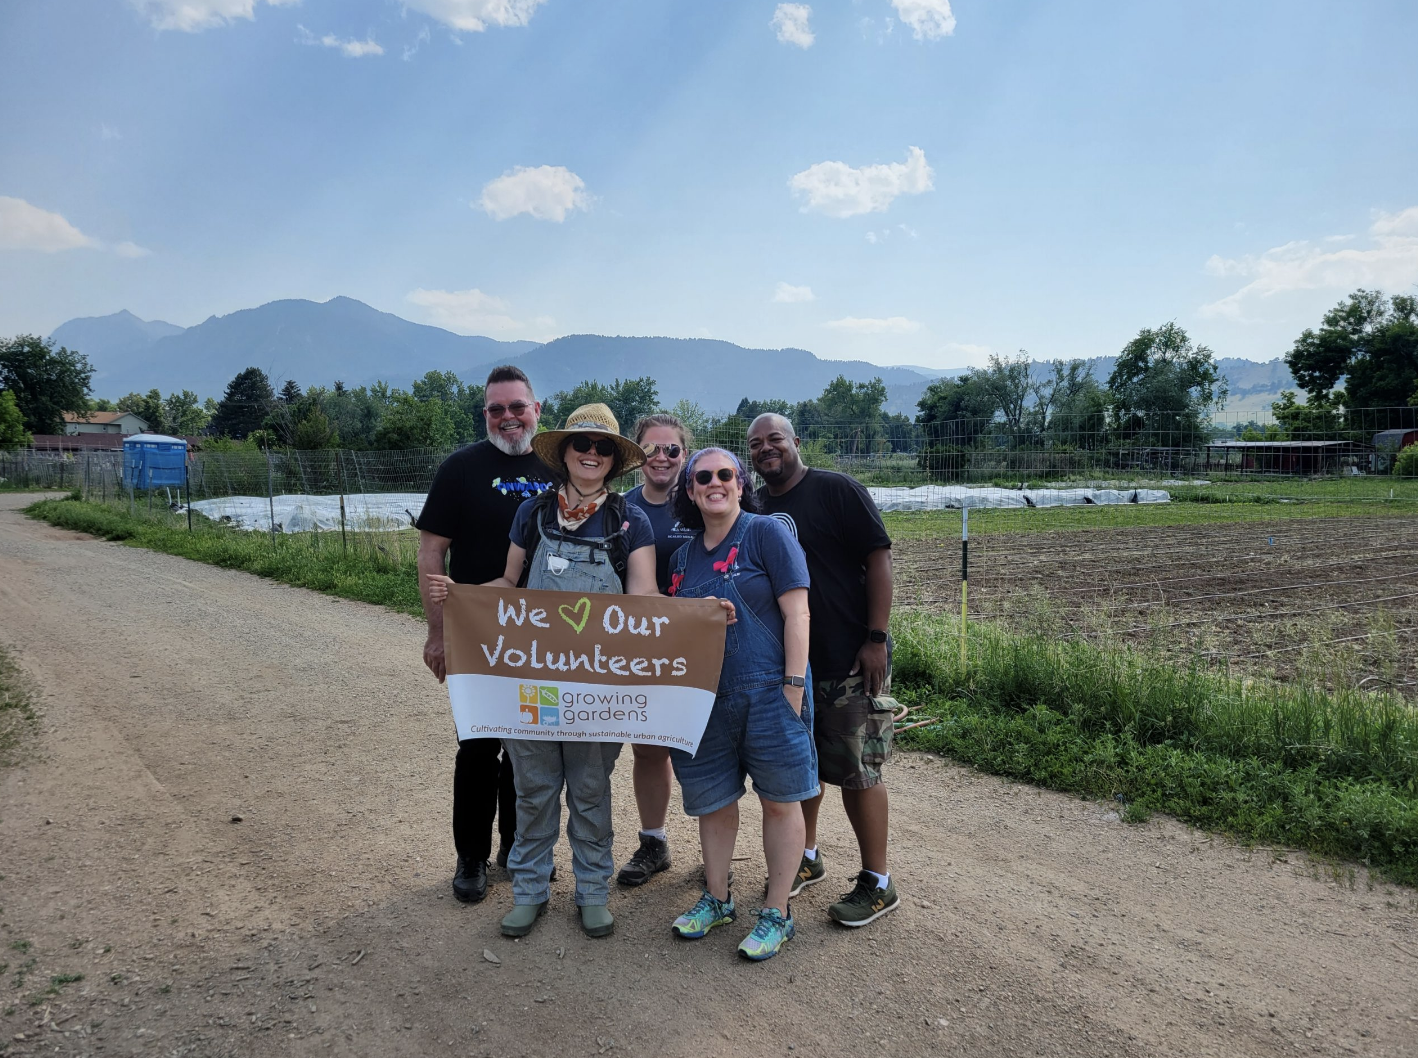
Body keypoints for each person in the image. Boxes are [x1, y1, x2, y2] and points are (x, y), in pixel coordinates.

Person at [431, 403, 657, 939]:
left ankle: (593, 891)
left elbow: (643, 598)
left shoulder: (630, 520)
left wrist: (700, 618)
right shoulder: (531, 514)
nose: (593, 454)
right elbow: (509, 585)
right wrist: (459, 597)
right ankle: (530, 890)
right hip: (534, 679)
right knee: (532, 788)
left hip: (597, 686)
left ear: (614, 460)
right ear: (565, 452)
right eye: (583, 443)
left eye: (604, 448)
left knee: (589, 788)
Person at [748, 413, 901, 928]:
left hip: (846, 657)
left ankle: (877, 882)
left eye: (775, 440)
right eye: (756, 444)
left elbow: (878, 560)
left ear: (796, 443)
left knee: (859, 771)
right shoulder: (756, 506)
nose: (766, 449)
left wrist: (876, 638)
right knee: (803, 767)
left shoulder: (836, 490)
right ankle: (806, 857)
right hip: (791, 667)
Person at [665, 447, 816, 961]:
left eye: (725, 474)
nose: (715, 483)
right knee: (714, 802)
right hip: (706, 698)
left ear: (740, 481)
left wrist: (792, 687)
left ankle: (777, 911)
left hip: (770, 689)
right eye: (702, 477)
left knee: (779, 800)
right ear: (689, 490)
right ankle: (718, 898)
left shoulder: (766, 533)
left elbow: (798, 613)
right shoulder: (680, 559)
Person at [416, 366, 553, 906]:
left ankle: (520, 850)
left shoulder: (559, 466)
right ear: (485, 415)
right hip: (477, 633)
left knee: (533, 749)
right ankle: (470, 855)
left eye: (517, 406)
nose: (508, 417)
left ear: (537, 410)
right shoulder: (462, 469)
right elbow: (432, 552)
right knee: (477, 747)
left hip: (547, 638)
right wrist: (437, 630)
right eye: (496, 408)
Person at [616, 413, 695, 888]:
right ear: (637, 455)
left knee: (709, 748)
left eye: (672, 450)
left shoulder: (704, 499)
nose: (661, 458)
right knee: (649, 749)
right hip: (641, 646)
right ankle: (654, 841)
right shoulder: (619, 507)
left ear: (685, 455)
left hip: (699, 643)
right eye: (652, 449)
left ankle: (716, 848)